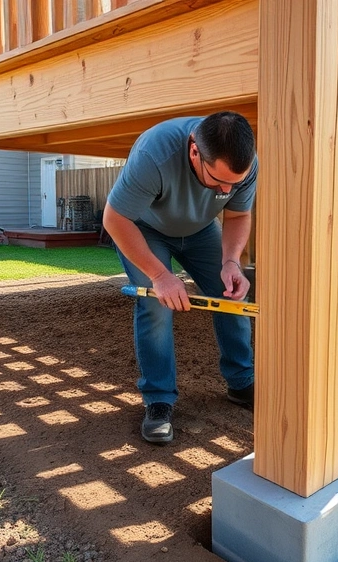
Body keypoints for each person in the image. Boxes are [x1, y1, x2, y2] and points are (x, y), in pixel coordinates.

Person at [103, 111, 256, 445]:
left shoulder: (244, 163)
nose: (227, 189)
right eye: (218, 181)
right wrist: (159, 275)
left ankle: (242, 382)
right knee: (158, 305)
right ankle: (158, 400)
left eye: (235, 182)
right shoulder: (154, 155)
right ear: (194, 153)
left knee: (232, 294)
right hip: (144, 229)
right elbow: (114, 219)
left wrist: (231, 261)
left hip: (200, 229)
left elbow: (239, 213)